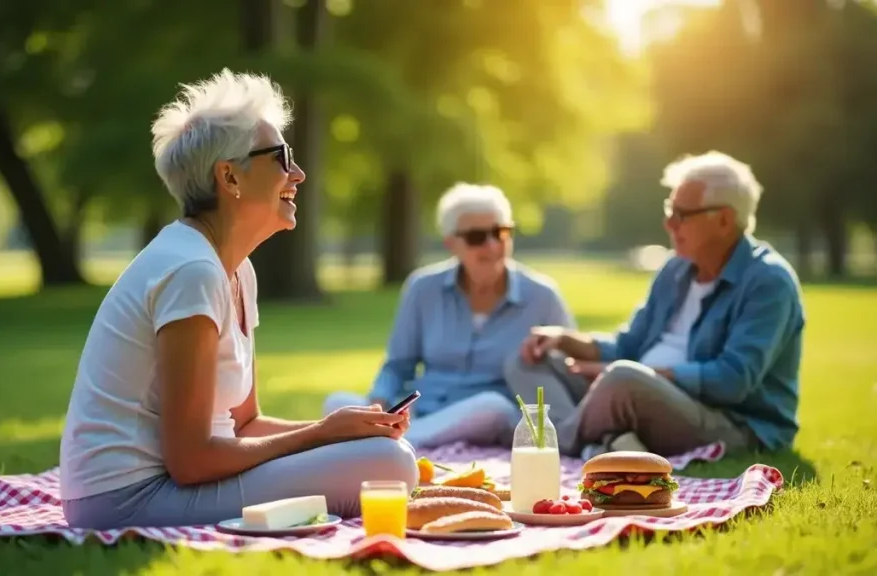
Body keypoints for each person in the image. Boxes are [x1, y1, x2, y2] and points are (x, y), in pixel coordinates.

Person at [58, 69, 418, 530]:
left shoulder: (234, 269)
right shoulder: (192, 271)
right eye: (282, 157)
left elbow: (244, 425)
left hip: (175, 483)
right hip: (125, 500)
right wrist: (323, 434)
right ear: (229, 177)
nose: (299, 173)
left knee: (382, 456)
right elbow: (191, 460)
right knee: (389, 466)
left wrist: (340, 430)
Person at [506, 151, 804, 459]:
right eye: (669, 210)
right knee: (526, 360)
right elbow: (629, 344)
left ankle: (557, 447)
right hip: (637, 394)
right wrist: (563, 339)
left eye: (682, 214)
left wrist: (642, 375)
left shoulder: (769, 282)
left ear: (725, 220)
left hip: (730, 423)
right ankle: (600, 440)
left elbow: (732, 381)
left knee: (621, 379)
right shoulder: (675, 269)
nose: (669, 223)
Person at [323, 183, 575, 448]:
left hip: (490, 418)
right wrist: (378, 403)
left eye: (500, 232)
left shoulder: (542, 296)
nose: (492, 245)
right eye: (477, 237)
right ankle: (387, 435)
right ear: (451, 244)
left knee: (492, 406)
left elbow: (567, 369)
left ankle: (391, 441)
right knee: (337, 402)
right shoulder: (422, 288)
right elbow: (398, 365)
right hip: (421, 410)